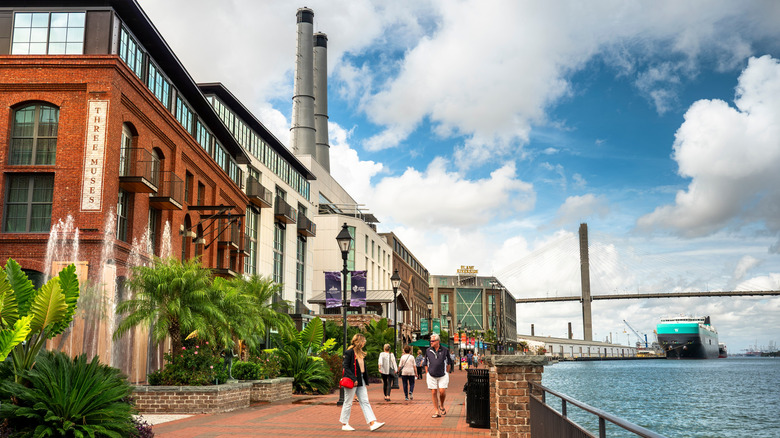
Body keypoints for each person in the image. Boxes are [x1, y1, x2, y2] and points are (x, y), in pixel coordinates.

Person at [340, 334, 385, 432]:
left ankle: (372, 423)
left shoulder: (360, 353)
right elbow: (346, 367)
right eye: (364, 341)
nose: (365, 343)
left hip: (361, 379)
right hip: (352, 380)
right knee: (348, 401)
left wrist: (362, 379)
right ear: (359, 342)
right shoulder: (349, 352)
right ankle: (344, 423)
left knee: (365, 401)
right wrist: (354, 378)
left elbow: (361, 368)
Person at [424, 333, 454, 418]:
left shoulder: (445, 350)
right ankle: (437, 411)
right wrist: (427, 373)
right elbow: (425, 363)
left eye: (433, 341)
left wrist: (447, 372)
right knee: (433, 392)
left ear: (438, 341)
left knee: (442, 391)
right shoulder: (428, 350)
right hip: (431, 374)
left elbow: (449, 362)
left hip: (442, 374)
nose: (431, 342)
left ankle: (442, 405)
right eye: (430, 341)